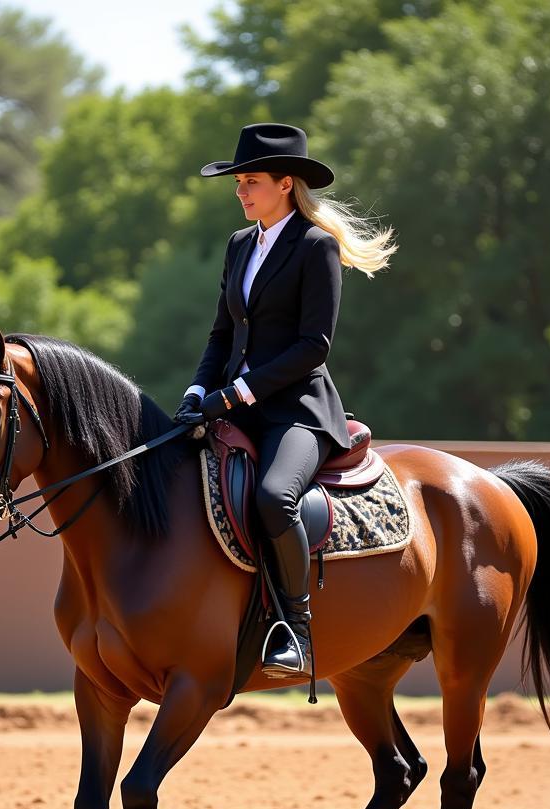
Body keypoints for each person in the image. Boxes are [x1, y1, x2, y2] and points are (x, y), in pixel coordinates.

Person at [174, 122, 397, 680]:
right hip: (231, 401)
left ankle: (295, 631)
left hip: (298, 409)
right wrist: (199, 390)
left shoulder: (315, 247)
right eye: (238, 181)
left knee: (275, 498)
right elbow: (221, 335)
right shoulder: (240, 244)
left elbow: (312, 346)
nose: (240, 190)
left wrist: (236, 392)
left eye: (250, 180)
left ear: (285, 185)